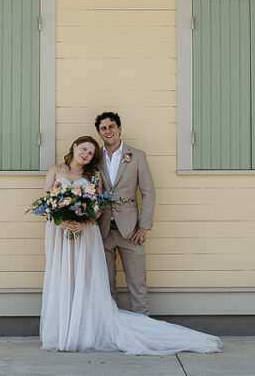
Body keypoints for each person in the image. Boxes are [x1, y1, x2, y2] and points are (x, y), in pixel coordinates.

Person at [39, 135, 220, 355]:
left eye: (90, 154)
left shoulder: (94, 175)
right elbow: (46, 202)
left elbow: (98, 207)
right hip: (61, 233)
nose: (86, 155)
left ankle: (84, 329)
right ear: (75, 146)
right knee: (63, 277)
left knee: (85, 280)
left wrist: (84, 222)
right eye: (84, 149)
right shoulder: (55, 170)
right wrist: (63, 220)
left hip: (86, 235)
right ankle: (64, 330)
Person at [94, 111, 154, 315]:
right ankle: (112, 331)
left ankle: (143, 331)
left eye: (111, 126)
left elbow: (148, 192)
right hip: (102, 231)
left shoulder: (137, 156)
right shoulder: (94, 158)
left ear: (119, 128)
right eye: (103, 128)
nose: (108, 131)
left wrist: (144, 226)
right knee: (106, 288)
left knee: (137, 286)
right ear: (99, 133)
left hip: (131, 232)